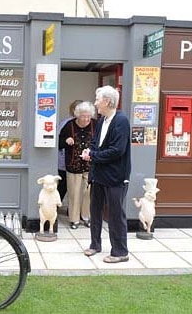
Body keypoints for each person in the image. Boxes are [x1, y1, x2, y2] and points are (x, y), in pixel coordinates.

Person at [81, 85, 131, 263]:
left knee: (116, 214)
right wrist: (90, 151)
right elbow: (95, 142)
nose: (95, 103)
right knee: (95, 210)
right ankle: (95, 244)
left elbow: (117, 150)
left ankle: (120, 252)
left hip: (115, 176)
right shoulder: (102, 120)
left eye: (97, 100)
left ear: (107, 102)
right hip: (98, 174)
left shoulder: (121, 121)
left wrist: (93, 155)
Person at [58, 101, 96, 229]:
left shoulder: (95, 124)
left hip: (90, 165)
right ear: (77, 115)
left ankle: (86, 217)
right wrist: (66, 140)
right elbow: (58, 142)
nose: (86, 119)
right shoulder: (69, 126)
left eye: (88, 116)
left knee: (88, 193)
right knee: (74, 193)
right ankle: (74, 220)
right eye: (83, 116)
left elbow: (101, 142)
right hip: (73, 165)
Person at [57, 100, 83, 202]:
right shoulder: (66, 123)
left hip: (77, 161)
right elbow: (59, 141)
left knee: (72, 187)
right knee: (64, 186)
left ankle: (71, 210)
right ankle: (55, 208)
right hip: (65, 160)